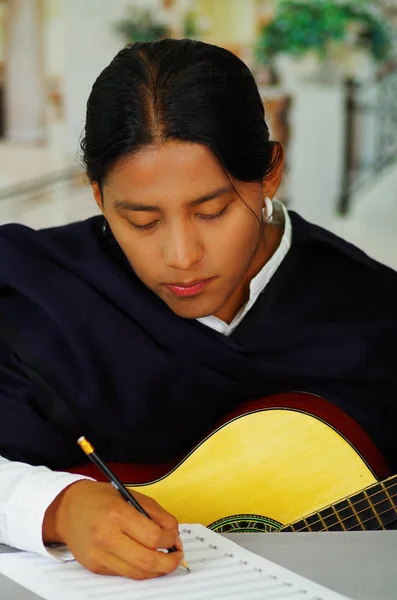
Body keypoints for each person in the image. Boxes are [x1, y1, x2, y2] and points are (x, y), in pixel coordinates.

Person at [0, 39, 396, 581]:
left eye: (212, 211)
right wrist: (54, 506)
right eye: (142, 221)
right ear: (98, 196)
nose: (182, 257)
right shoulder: (28, 289)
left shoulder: (375, 317)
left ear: (270, 174)